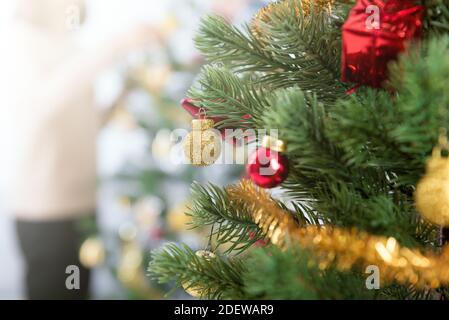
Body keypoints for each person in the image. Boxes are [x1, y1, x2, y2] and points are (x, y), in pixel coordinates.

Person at [0, 0, 159, 299]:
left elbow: (83, 121)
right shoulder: (22, 39)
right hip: (45, 212)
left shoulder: (67, 44)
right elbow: (43, 103)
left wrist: (124, 93)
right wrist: (117, 44)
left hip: (83, 205)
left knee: (77, 291)